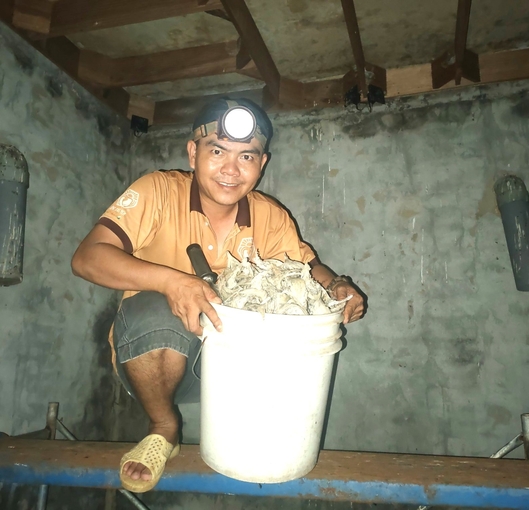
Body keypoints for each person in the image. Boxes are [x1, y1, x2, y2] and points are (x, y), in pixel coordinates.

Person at [71, 98, 366, 493]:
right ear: (193, 154)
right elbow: (86, 258)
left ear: (262, 164)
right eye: (217, 151)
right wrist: (171, 282)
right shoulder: (156, 191)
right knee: (155, 311)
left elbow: (307, 267)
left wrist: (336, 285)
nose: (231, 169)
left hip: (240, 372)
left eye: (247, 155)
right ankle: (163, 427)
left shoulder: (271, 215)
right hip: (157, 363)